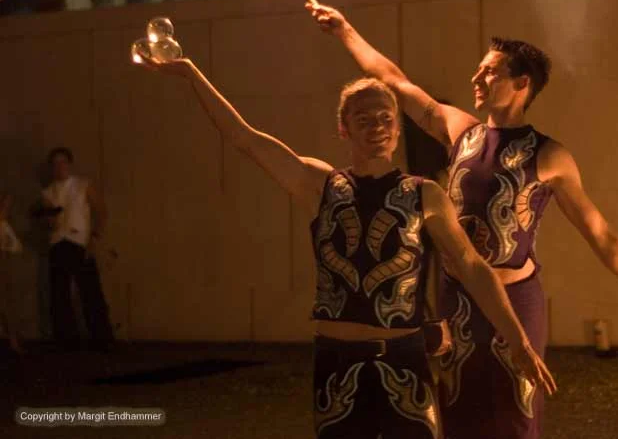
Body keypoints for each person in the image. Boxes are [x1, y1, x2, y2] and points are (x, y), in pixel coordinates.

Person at [308, 3, 618, 439]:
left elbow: (600, 233)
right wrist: (346, 31)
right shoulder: (460, 132)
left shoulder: (549, 156)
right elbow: (395, 80)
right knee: (453, 417)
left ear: (521, 84)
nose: (476, 79)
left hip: (517, 304)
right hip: (455, 302)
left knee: (513, 418)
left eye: (489, 72)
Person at [134, 55, 556, 438]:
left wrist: (517, 338)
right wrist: (191, 72)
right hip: (339, 363)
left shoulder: (424, 193)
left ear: (396, 127)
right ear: (343, 128)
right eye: (364, 119)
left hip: (403, 359)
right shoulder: (319, 184)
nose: (377, 127)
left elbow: (471, 265)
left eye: (386, 118)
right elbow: (244, 138)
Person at [40, 147, 114, 351]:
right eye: (55, 164)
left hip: (79, 241)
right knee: (59, 293)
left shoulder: (83, 185)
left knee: (90, 290)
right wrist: (49, 220)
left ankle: (102, 338)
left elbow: (101, 211)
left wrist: (95, 237)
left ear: (69, 164)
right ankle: (66, 340)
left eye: (62, 162)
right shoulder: (48, 192)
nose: (59, 167)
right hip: (58, 242)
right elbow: (48, 221)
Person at [0, 192, 24, 354]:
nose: (7, 209)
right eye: (5, 205)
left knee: (7, 303)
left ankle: (12, 340)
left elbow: (17, 246)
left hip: (3, 266)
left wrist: (7, 245)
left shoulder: (5, 225)